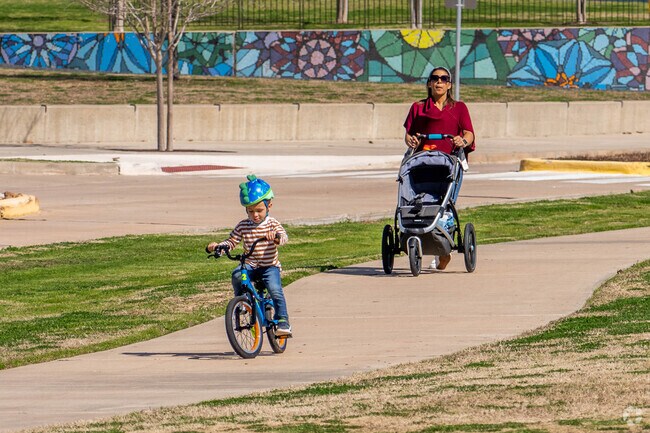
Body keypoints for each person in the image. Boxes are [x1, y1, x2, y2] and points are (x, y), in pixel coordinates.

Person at [403, 66, 476, 271]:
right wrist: (411, 139)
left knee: (445, 204)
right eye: (435, 78)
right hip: (422, 163)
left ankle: (442, 249)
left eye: (444, 79)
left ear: (449, 84)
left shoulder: (459, 108)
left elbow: (469, 133)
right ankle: (418, 236)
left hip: (449, 163)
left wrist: (462, 140)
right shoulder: (418, 107)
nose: (439, 82)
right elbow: (409, 135)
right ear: (429, 83)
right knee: (419, 200)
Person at [206, 174, 292, 336]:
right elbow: (232, 240)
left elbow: (284, 237)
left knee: (275, 289)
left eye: (259, 210)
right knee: (237, 275)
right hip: (251, 264)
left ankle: (283, 321)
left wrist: (276, 237)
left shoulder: (272, 224)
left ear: (269, 205)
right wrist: (219, 246)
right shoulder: (243, 225)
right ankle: (243, 302)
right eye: (250, 211)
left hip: (269, 266)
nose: (255, 215)